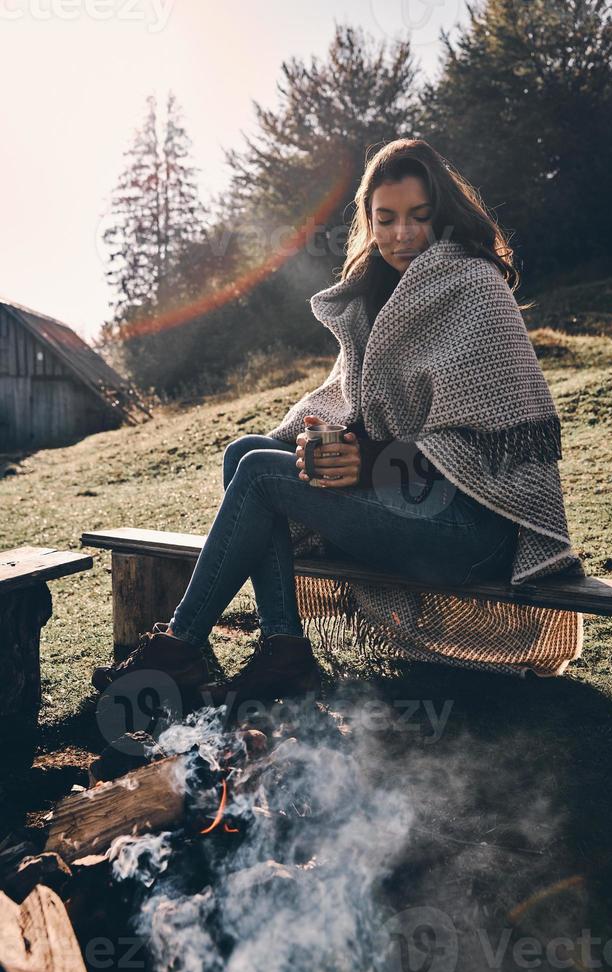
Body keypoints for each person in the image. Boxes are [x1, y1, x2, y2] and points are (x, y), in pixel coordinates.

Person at [91, 138, 523, 700]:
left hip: (472, 531)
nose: (401, 234)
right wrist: (331, 444)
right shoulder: (379, 295)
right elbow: (353, 400)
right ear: (368, 221)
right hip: (406, 505)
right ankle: (282, 649)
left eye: (419, 216)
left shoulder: (475, 288)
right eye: (385, 218)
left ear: (442, 213)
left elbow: (499, 445)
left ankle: (186, 647)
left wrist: (372, 462)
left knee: (259, 477)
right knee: (247, 455)